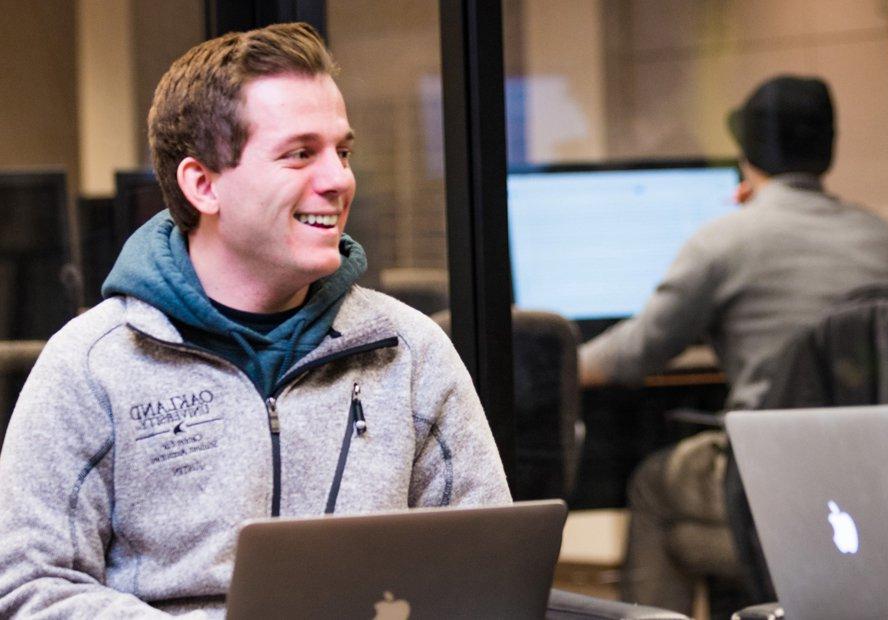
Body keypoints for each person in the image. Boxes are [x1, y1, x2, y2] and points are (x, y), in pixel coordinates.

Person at [0, 23, 510, 617]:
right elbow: (29, 587)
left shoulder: (409, 351)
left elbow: (489, 571)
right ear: (202, 184)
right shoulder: (92, 366)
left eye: (341, 152)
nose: (337, 179)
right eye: (300, 154)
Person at [581, 75, 888, 612]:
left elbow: (634, 353)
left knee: (653, 486)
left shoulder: (726, 239)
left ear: (747, 153)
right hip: (877, 486)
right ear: (828, 146)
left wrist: (551, 360)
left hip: (773, 487)